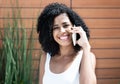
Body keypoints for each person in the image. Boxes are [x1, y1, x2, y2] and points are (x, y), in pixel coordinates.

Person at [37, 2, 96, 84]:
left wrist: (86, 47)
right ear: (49, 33)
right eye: (55, 28)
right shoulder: (46, 57)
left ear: (75, 26)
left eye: (66, 25)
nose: (62, 31)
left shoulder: (87, 56)